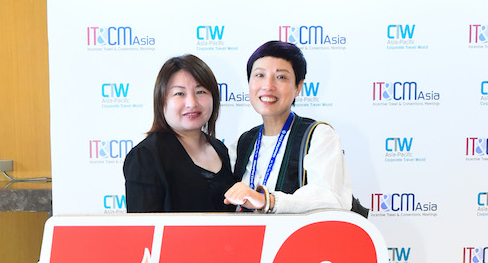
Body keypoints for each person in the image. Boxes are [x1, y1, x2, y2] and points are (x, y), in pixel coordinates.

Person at [224, 40, 358, 214]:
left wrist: (267, 201)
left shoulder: (318, 136)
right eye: (259, 75)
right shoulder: (242, 143)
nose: (268, 85)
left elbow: (329, 198)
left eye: (281, 77)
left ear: (298, 87)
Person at [124, 54, 234, 212]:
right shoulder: (146, 157)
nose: (192, 103)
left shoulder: (220, 149)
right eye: (179, 94)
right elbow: (144, 226)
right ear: (161, 101)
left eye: (200, 91)